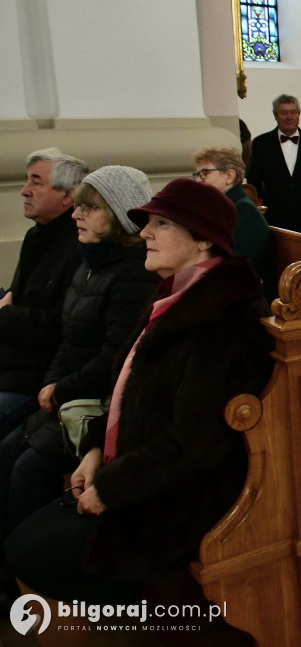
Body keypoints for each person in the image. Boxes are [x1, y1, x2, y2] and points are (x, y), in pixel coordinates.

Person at [5, 178, 273, 615]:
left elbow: (195, 445)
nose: (145, 233)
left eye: (162, 224)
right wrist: (93, 450)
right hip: (143, 472)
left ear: (204, 238)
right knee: (25, 534)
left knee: (31, 553)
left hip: (185, 501)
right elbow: (127, 396)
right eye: (146, 223)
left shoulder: (225, 319)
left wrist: (112, 488)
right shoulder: (173, 297)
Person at [0, 166, 159, 542]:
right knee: (8, 451)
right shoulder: (91, 264)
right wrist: (52, 383)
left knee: (27, 468)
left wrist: (59, 390)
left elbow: (113, 360)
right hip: (70, 395)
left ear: (119, 217)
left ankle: (23, 568)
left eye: (89, 208)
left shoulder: (132, 274)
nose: (76, 214)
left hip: (95, 405)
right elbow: (68, 337)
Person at [0, 149, 87, 441]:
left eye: (36, 183)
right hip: (11, 368)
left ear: (68, 195)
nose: (25, 191)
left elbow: (61, 327)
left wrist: (6, 314)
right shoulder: (35, 235)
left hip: (35, 379)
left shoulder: (80, 244)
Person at [246, 94, 301, 236]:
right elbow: (254, 182)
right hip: (273, 218)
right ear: (275, 115)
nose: (289, 117)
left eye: (293, 112)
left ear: (299, 115)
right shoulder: (261, 143)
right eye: (284, 112)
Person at [191, 147, 272, 289]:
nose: (199, 180)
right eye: (197, 174)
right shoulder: (223, 207)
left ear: (229, 176)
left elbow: (238, 265)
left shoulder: (243, 210)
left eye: (205, 173)